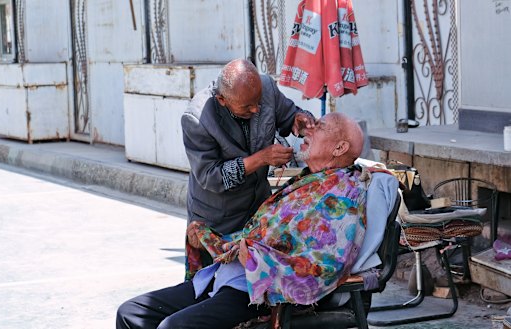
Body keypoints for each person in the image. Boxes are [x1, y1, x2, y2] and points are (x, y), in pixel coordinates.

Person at [117, 112, 373, 329]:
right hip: (225, 275)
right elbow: (260, 235)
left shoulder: (344, 195)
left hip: (257, 292)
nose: (309, 128)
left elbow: (326, 265)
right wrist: (211, 241)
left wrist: (257, 260)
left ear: (339, 148)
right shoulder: (307, 180)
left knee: (173, 327)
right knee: (130, 314)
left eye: (320, 127)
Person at [181, 58, 316, 239]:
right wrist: (261, 158)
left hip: (258, 210)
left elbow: (288, 115)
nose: (255, 109)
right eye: (247, 106)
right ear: (222, 100)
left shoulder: (266, 87)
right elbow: (211, 176)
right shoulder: (197, 119)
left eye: (258, 102)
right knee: (219, 267)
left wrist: (297, 119)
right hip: (218, 218)